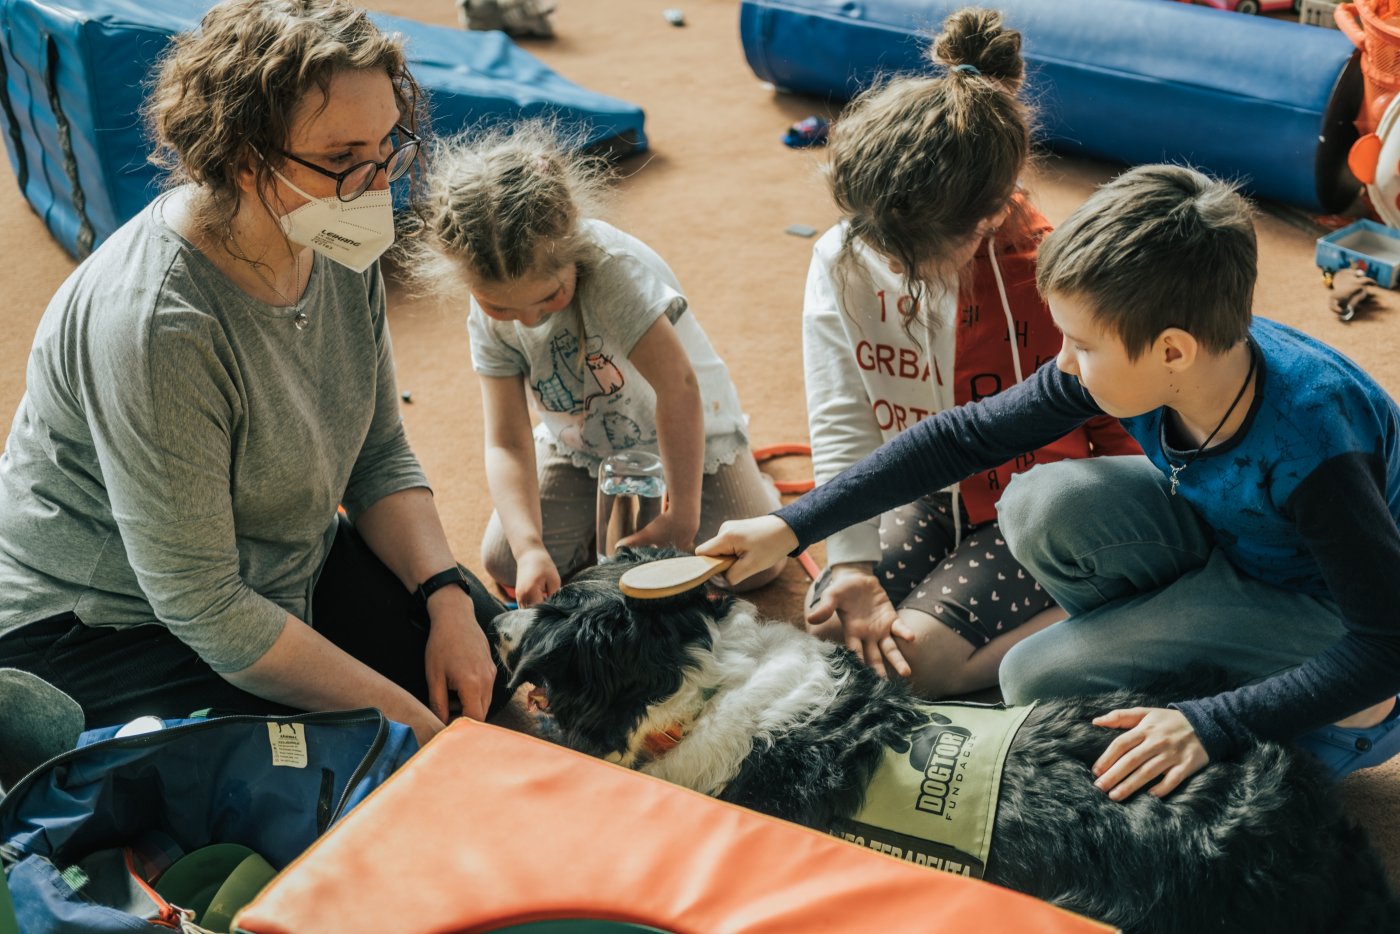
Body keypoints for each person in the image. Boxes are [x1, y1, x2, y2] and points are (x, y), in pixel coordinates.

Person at [700, 163, 1400, 798]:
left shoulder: (1316, 445)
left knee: (1035, 678)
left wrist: (1208, 723)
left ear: (1172, 352)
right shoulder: (1169, 357)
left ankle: (1324, 723)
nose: (1064, 360)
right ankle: (1164, 646)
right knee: (1038, 501)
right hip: (1240, 535)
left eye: (1082, 344)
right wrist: (792, 523)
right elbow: (965, 436)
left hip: (1333, 614)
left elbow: (1385, 643)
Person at [0, 0, 506, 747]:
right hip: (104, 625)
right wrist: (406, 727)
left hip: (272, 571)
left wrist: (448, 598)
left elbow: (376, 454)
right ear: (244, 158)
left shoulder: (332, 232)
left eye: (387, 146)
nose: (375, 185)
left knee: (494, 668)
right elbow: (203, 602)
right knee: (359, 778)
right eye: (341, 159)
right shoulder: (158, 327)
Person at [798, 8, 1138, 695]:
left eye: (906, 250)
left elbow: (1123, 423)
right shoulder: (845, 250)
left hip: (1043, 505)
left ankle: (1126, 614)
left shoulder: (1052, 271)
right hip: (929, 481)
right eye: (864, 231)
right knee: (833, 622)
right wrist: (853, 563)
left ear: (986, 217)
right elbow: (842, 413)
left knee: (915, 661)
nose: (878, 258)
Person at [399, 123, 785, 606]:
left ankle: (755, 483)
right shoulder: (489, 300)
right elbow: (506, 439)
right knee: (504, 558)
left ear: (571, 248)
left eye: (549, 297)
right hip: (584, 444)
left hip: (689, 430)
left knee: (754, 568)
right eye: (502, 308)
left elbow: (678, 387)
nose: (529, 318)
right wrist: (531, 547)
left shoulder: (610, 270)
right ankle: (594, 523)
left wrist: (683, 512)